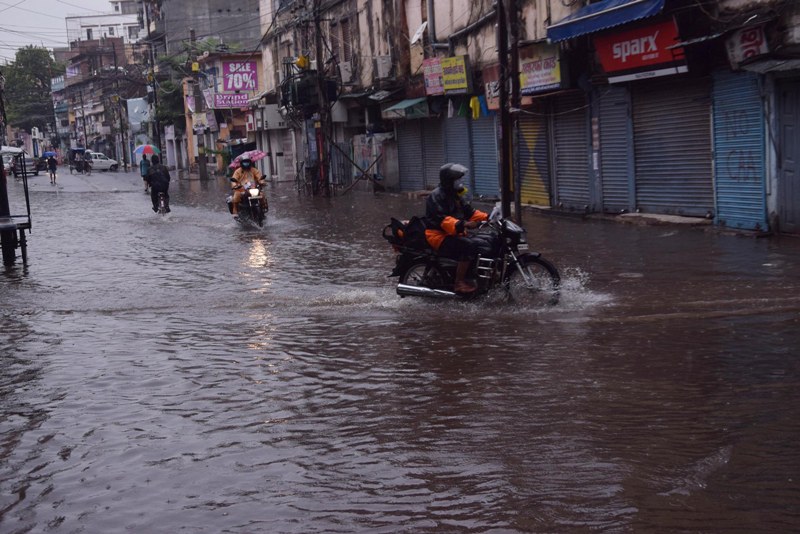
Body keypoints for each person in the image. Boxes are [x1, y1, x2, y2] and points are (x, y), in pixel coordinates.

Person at [424, 163, 489, 294]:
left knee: (485, 242)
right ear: (449, 180)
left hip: (454, 232)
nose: (460, 182)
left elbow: (470, 212)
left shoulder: (455, 195)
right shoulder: (436, 196)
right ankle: (459, 282)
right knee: (468, 246)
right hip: (438, 235)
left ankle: (478, 276)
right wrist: (463, 224)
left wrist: (489, 217)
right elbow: (443, 220)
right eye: (457, 179)